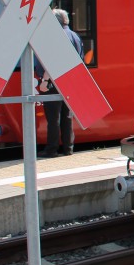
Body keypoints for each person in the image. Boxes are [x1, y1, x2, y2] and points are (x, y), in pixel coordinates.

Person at [35, 8, 84, 158]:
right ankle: (68, 148)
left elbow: (53, 60)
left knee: (53, 118)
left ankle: (51, 150)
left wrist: (45, 80)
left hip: (55, 83)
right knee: (67, 117)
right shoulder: (74, 36)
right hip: (71, 82)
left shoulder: (56, 36)